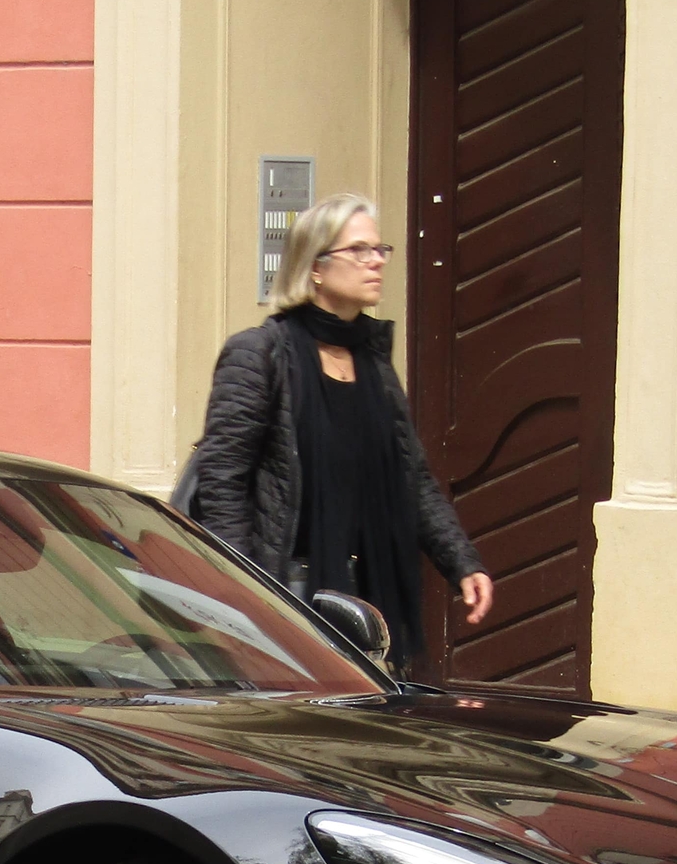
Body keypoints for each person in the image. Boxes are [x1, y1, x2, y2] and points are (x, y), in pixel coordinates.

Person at [191, 192, 493, 672]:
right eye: (359, 251)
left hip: (365, 588)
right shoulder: (260, 355)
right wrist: (243, 593)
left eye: (379, 250)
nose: (376, 262)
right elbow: (222, 480)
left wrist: (463, 563)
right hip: (284, 587)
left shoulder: (372, 361)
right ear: (315, 266)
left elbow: (410, 476)